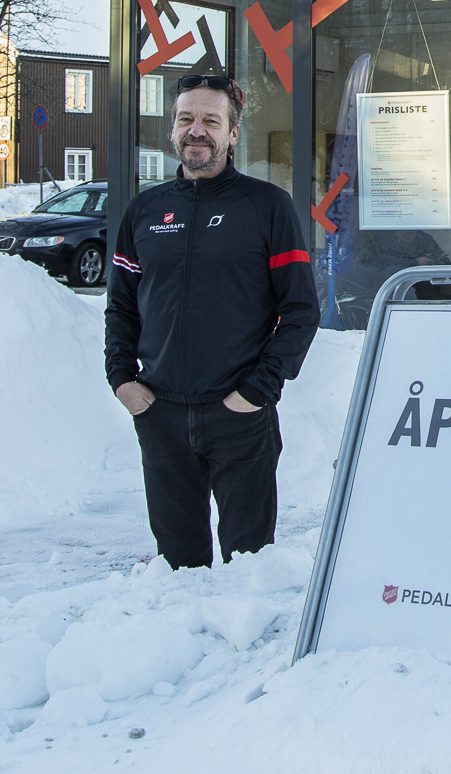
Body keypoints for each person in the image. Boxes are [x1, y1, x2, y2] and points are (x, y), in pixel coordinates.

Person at [105, 72, 317, 568]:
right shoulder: (145, 211)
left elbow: (302, 310)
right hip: (161, 415)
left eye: (210, 121)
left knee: (249, 565)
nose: (196, 131)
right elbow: (121, 306)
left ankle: (244, 647)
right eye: (186, 119)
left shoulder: (266, 207)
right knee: (178, 566)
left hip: (239, 416)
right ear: (173, 130)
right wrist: (122, 381)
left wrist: (257, 391)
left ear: (232, 133)